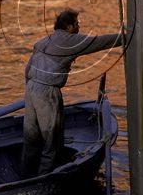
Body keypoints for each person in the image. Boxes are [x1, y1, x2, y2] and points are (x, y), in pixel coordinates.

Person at [21, 9, 124, 178]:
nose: (79, 27)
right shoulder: (70, 41)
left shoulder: (43, 41)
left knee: (31, 139)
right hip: (47, 92)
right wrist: (124, 37)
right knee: (51, 141)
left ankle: (25, 175)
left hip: (31, 88)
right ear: (69, 27)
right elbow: (99, 42)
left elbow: (27, 70)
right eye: (77, 24)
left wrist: (30, 90)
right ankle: (43, 179)